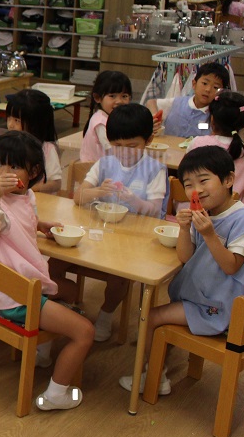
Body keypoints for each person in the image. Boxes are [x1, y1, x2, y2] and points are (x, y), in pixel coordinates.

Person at [119, 146, 244, 395]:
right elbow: (186, 257)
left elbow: (231, 266)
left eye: (204, 181)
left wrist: (209, 234)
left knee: (150, 317)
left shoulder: (243, 219)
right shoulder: (204, 214)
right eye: (189, 185)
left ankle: (153, 377)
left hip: (222, 306)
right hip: (204, 296)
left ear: (228, 179)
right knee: (154, 314)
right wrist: (185, 229)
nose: (197, 190)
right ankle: (158, 366)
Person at [0, 131, 94, 411]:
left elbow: (19, 221)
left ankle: (42, 353)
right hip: (14, 295)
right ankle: (56, 394)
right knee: (85, 331)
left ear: (33, 173)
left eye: (14, 166)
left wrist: (39, 226)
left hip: (23, 285)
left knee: (71, 291)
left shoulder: (26, 195)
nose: (4, 172)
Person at [69, 104, 170, 341]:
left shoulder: (155, 169)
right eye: (117, 145)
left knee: (119, 274)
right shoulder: (105, 163)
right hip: (101, 233)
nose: (124, 152)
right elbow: (78, 196)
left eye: (132, 146)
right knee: (58, 260)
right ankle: (64, 307)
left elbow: (155, 210)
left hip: (134, 240)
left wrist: (133, 200)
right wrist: (97, 191)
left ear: (148, 140)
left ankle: (105, 315)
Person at [189, 91, 244, 229]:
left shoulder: (197, 143)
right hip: (234, 212)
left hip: (198, 208)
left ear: (212, 120)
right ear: (243, 125)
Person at [0, 88, 63, 194]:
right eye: (9, 118)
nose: (10, 125)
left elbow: (56, 184)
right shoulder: (3, 142)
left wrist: (25, 188)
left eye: (17, 120)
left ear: (35, 123)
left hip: (34, 200)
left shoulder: (47, 149)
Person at [147, 62, 229, 138]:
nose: (208, 89)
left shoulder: (217, 115)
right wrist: (154, 116)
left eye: (215, 87)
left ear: (221, 92)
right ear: (194, 84)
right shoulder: (177, 103)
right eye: (204, 83)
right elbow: (151, 102)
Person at [80, 70, 132, 163]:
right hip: (93, 168)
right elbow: (113, 151)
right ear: (97, 98)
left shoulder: (116, 118)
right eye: (112, 96)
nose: (119, 101)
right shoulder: (100, 122)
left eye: (124, 96)